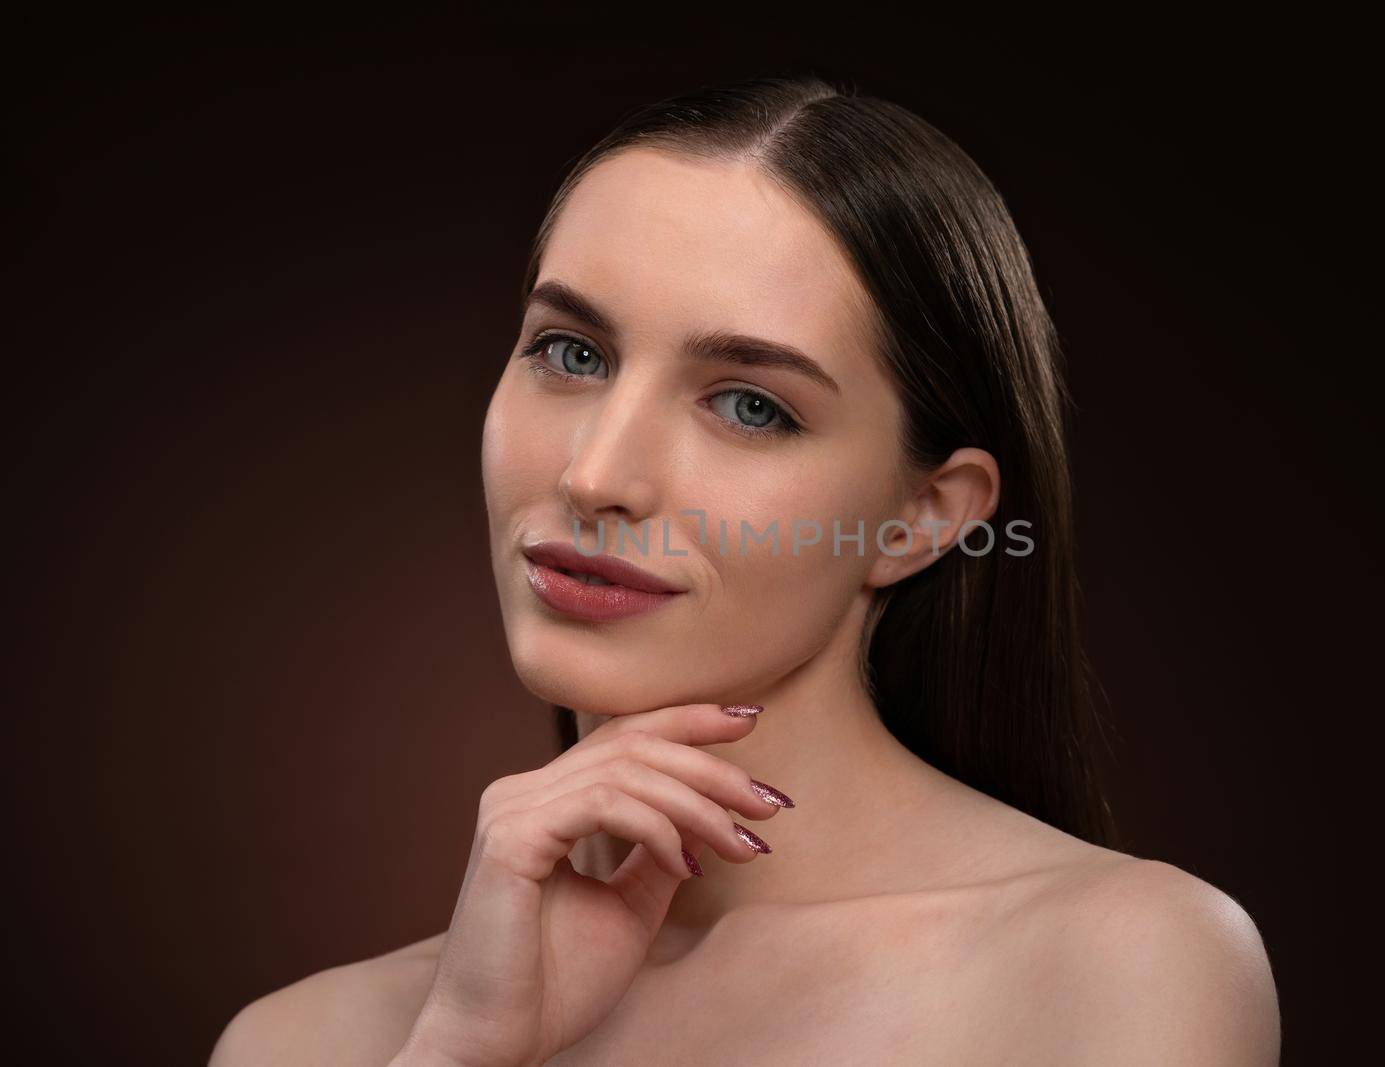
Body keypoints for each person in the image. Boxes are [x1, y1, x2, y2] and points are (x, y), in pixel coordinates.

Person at [211, 74, 1280, 1065]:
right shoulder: (305, 1041)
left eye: (750, 405)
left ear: (920, 516)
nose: (595, 475)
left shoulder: (1115, 964)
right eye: (571, 352)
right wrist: (457, 1049)